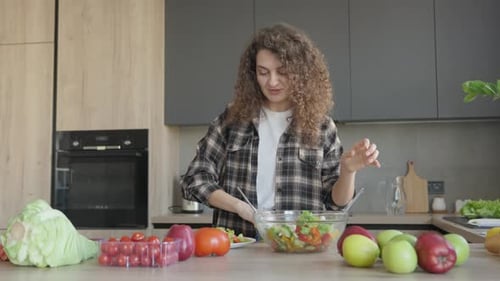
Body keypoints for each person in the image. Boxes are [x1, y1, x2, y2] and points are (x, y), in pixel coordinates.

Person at [180, 23, 380, 238]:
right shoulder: (232, 121)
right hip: (239, 245)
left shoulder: (321, 127)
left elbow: (335, 206)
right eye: (263, 72)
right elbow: (194, 179)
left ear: (300, 73)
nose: (272, 82)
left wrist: (348, 171)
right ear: (252, 74)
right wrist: (239, 207)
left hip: (299, 247)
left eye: (282, 72)